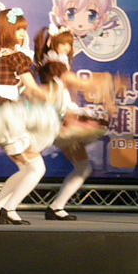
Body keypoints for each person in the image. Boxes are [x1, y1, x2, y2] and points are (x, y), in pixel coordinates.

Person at [0, 8, 61, 225]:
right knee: (37, 168)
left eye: (24, 29)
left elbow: (3, 84)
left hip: (1, 113)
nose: (23, 34)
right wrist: (51, 94)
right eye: (18, 30)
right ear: (7, 31)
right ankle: (10, 209)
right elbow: (31, 87)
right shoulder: (15, 56)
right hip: (9, 116)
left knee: (25, 168)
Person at [33, 24, 114, 221]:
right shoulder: (54, 63)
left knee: (83, 167)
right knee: (31, 168)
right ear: (53, 43)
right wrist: (103, 84)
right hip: (57, 117)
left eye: (69, 45)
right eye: (63, 44)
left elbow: (71, 85)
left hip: (61, 115)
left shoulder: (55, 63)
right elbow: (76, 82)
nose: (67, 48)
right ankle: (4, 208)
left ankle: (56, 207)